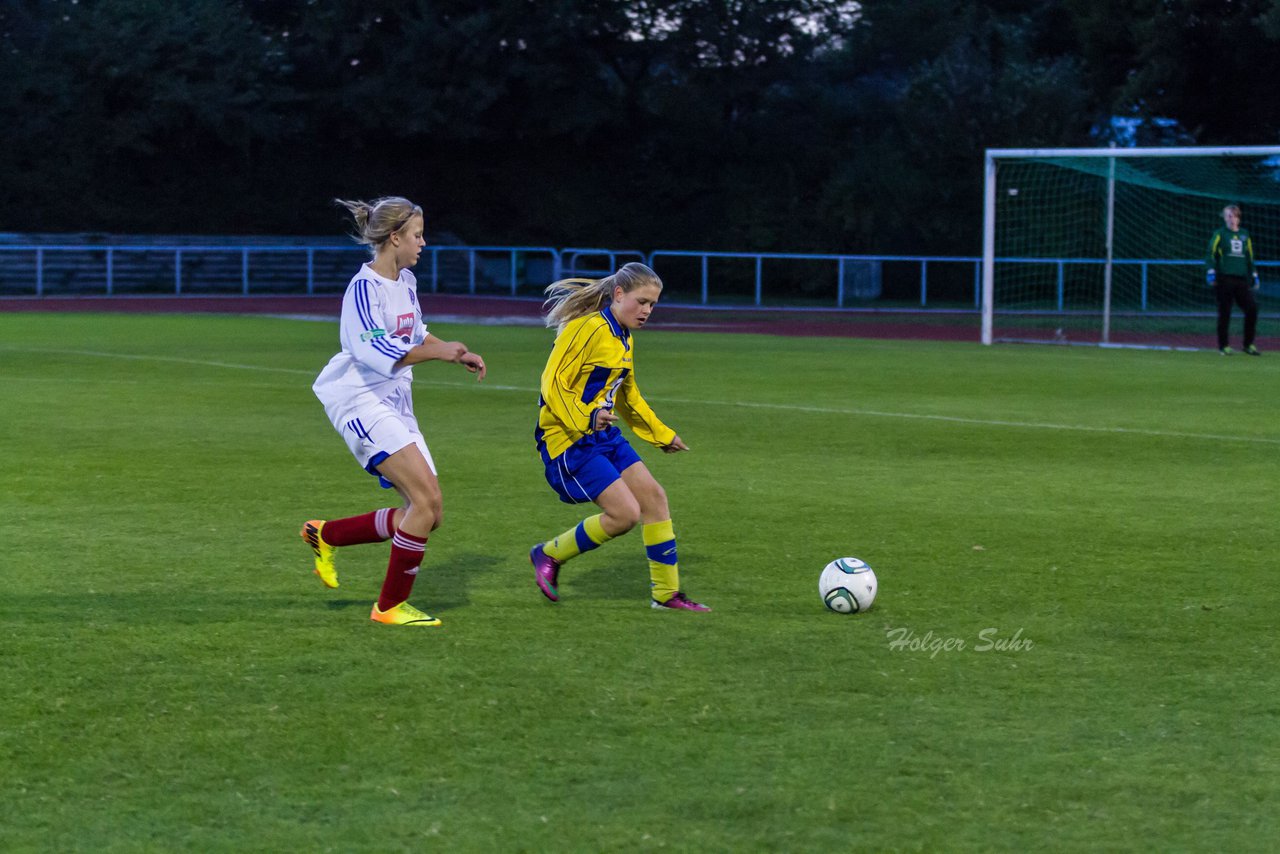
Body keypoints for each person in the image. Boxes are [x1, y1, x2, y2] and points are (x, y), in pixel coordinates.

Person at [303, 196, 487, 627]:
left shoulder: (405, 282)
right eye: (418, 235)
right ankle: (388, 607)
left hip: (395, 403)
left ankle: (325, 534)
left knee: (429, 514)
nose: (423, 243)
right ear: (395, 237)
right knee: (425, 501)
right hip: (360, 398)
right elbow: (375, 349)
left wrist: (449, 351)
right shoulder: (364, 288)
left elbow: (415, 332)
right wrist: (439, 353)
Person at [528, 262, 710, 611]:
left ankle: (666, 595)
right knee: (625, 514)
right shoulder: (585, 329)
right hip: (567, 437)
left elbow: (628, 397)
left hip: (603, 435)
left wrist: (662, 435)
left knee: (655, 498)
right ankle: (548, 554)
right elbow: (553, 384)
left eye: (653, 305)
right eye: (641, 302)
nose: (647, 311)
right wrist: (588, 416)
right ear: (619, 294)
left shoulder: (623, 337)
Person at [1205, 204, 1262, 355]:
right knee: (1225, 312)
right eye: (1227, 216)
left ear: (1238, 217)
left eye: (1233, 216)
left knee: (1252, 308)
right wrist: (1211, 271)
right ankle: (1224, 346)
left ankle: (1248, 345)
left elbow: (1249, 257)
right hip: (1224, 279)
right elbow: (1210, 254)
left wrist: (1254, 275)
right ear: (1224, 218)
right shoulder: (1219, 234)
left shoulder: (1245, 235)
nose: (1230, 219)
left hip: (1241, 280)